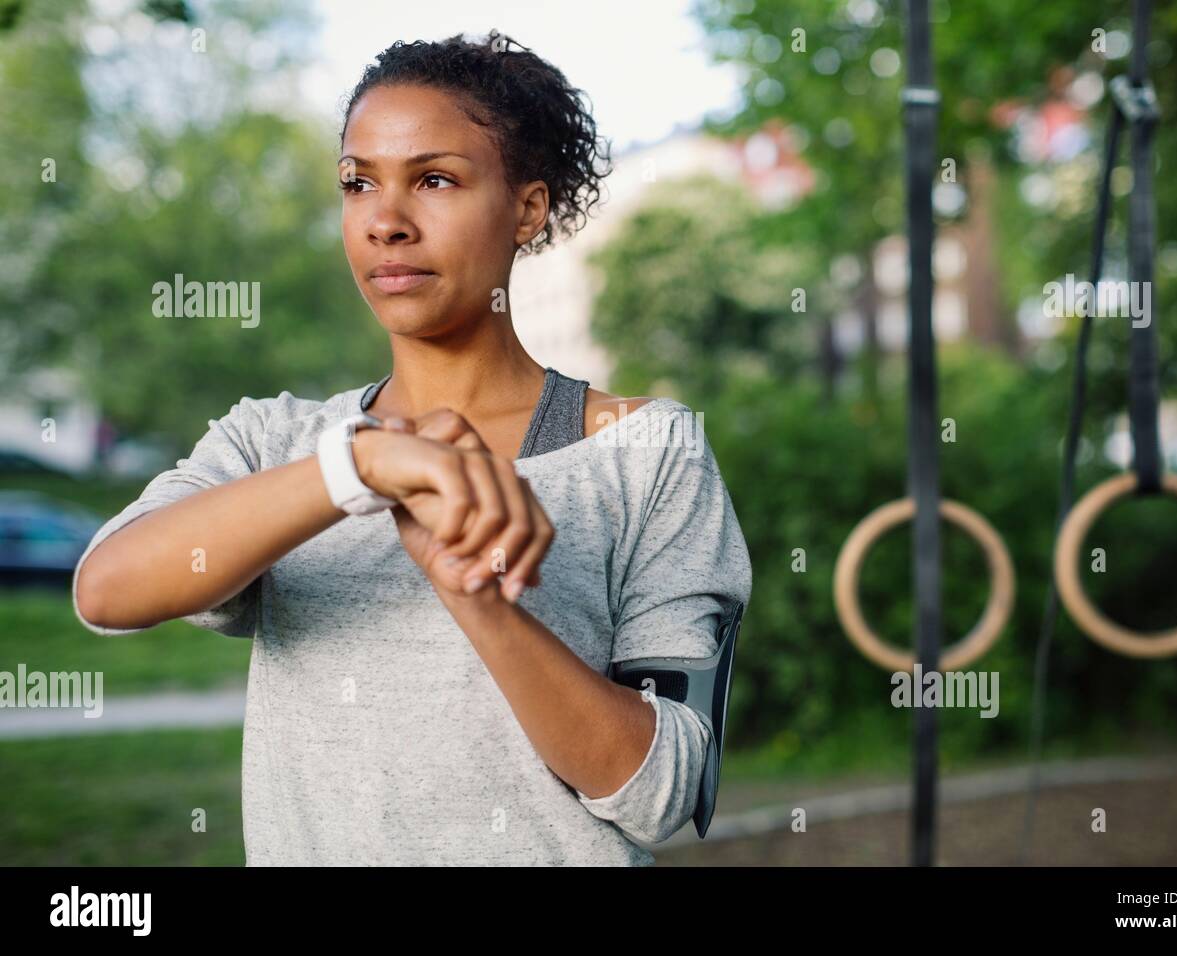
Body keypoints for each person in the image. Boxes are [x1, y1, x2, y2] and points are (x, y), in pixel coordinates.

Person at [72, 31, 752, 866]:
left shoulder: (646, 451)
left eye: (434, 180)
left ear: (528, 209)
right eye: (358, 184)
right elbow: (106, 589)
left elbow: (660, 795)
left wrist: (478, 597)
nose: (386, 223)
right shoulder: (275, 442)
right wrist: (355, 468)